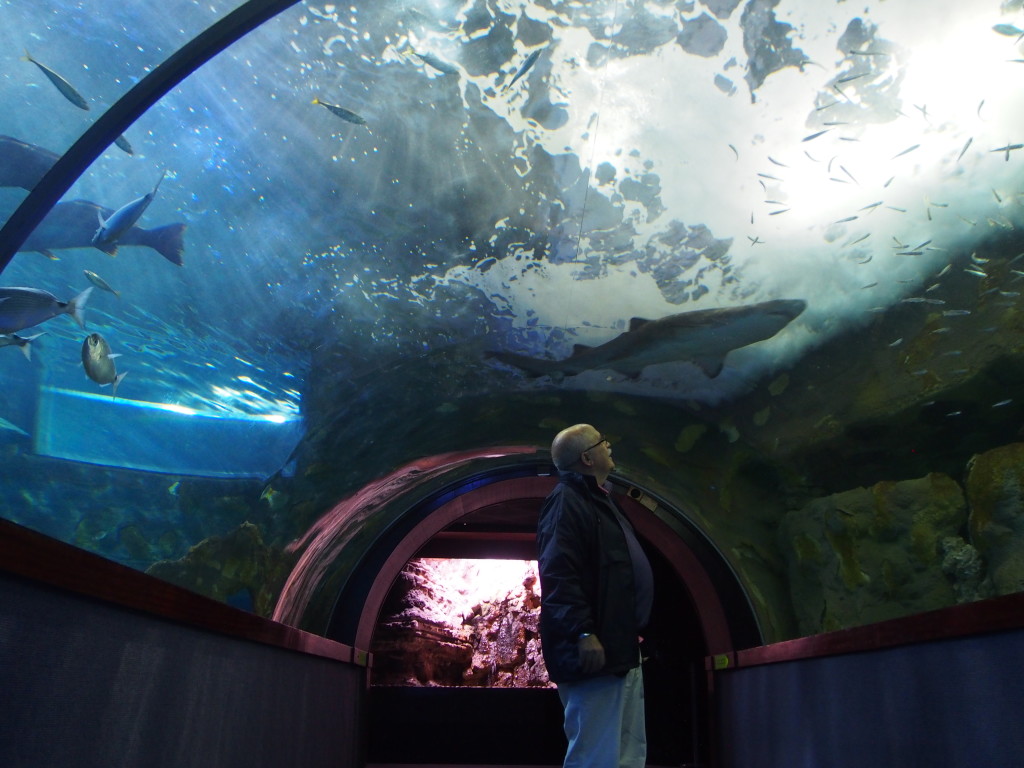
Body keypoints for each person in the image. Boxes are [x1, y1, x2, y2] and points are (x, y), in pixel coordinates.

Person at [536, 423, 654, 768]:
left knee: (627, 751)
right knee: (596, 752)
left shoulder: (597, 498)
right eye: (604, 441)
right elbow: (559, 574)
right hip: (594, 650)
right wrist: (583, 632)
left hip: (619, 646)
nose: (610, 445)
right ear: (587, 458)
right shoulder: (566, 502)